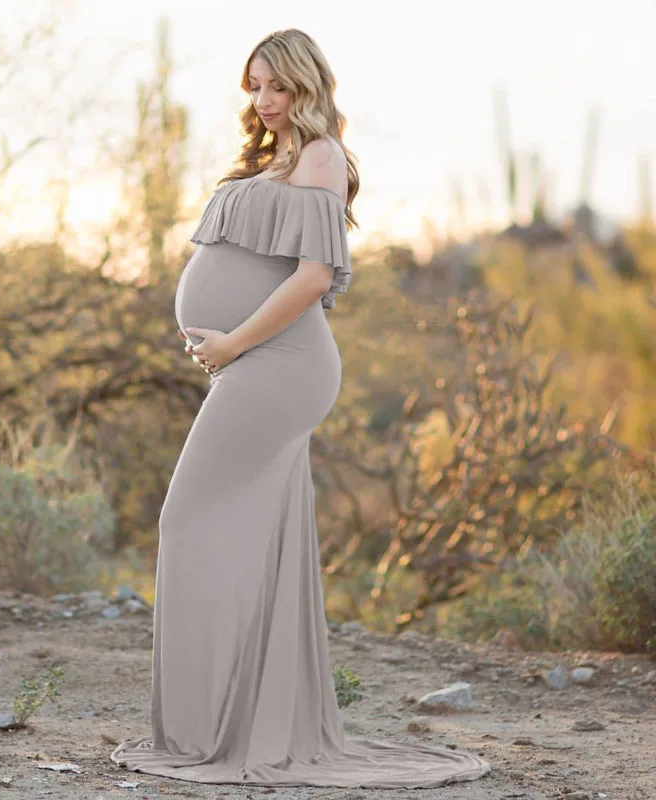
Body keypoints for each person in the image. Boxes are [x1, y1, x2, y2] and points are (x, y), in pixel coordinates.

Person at [110, 28, 491, 789]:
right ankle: (233, 720)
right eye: (254, 86)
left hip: (281, 364)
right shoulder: (269, 160)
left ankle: (211, 727)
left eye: (277, 86)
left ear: (308, 85)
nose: (264, 101)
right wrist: (224, 346)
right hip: (251, 362)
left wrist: (232, 344)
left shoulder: (318, 156)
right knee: (251, 537)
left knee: (186, 518)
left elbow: (314, 277)